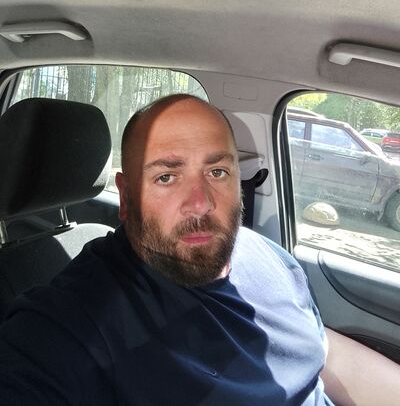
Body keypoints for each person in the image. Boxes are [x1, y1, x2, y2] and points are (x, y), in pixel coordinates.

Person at [0, 94, 399, 405]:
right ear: (125, 197)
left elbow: (325, 355)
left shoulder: (271, 258)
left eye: (217, 172)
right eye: (167, 176)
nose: (200, 203)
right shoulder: (67, 326)